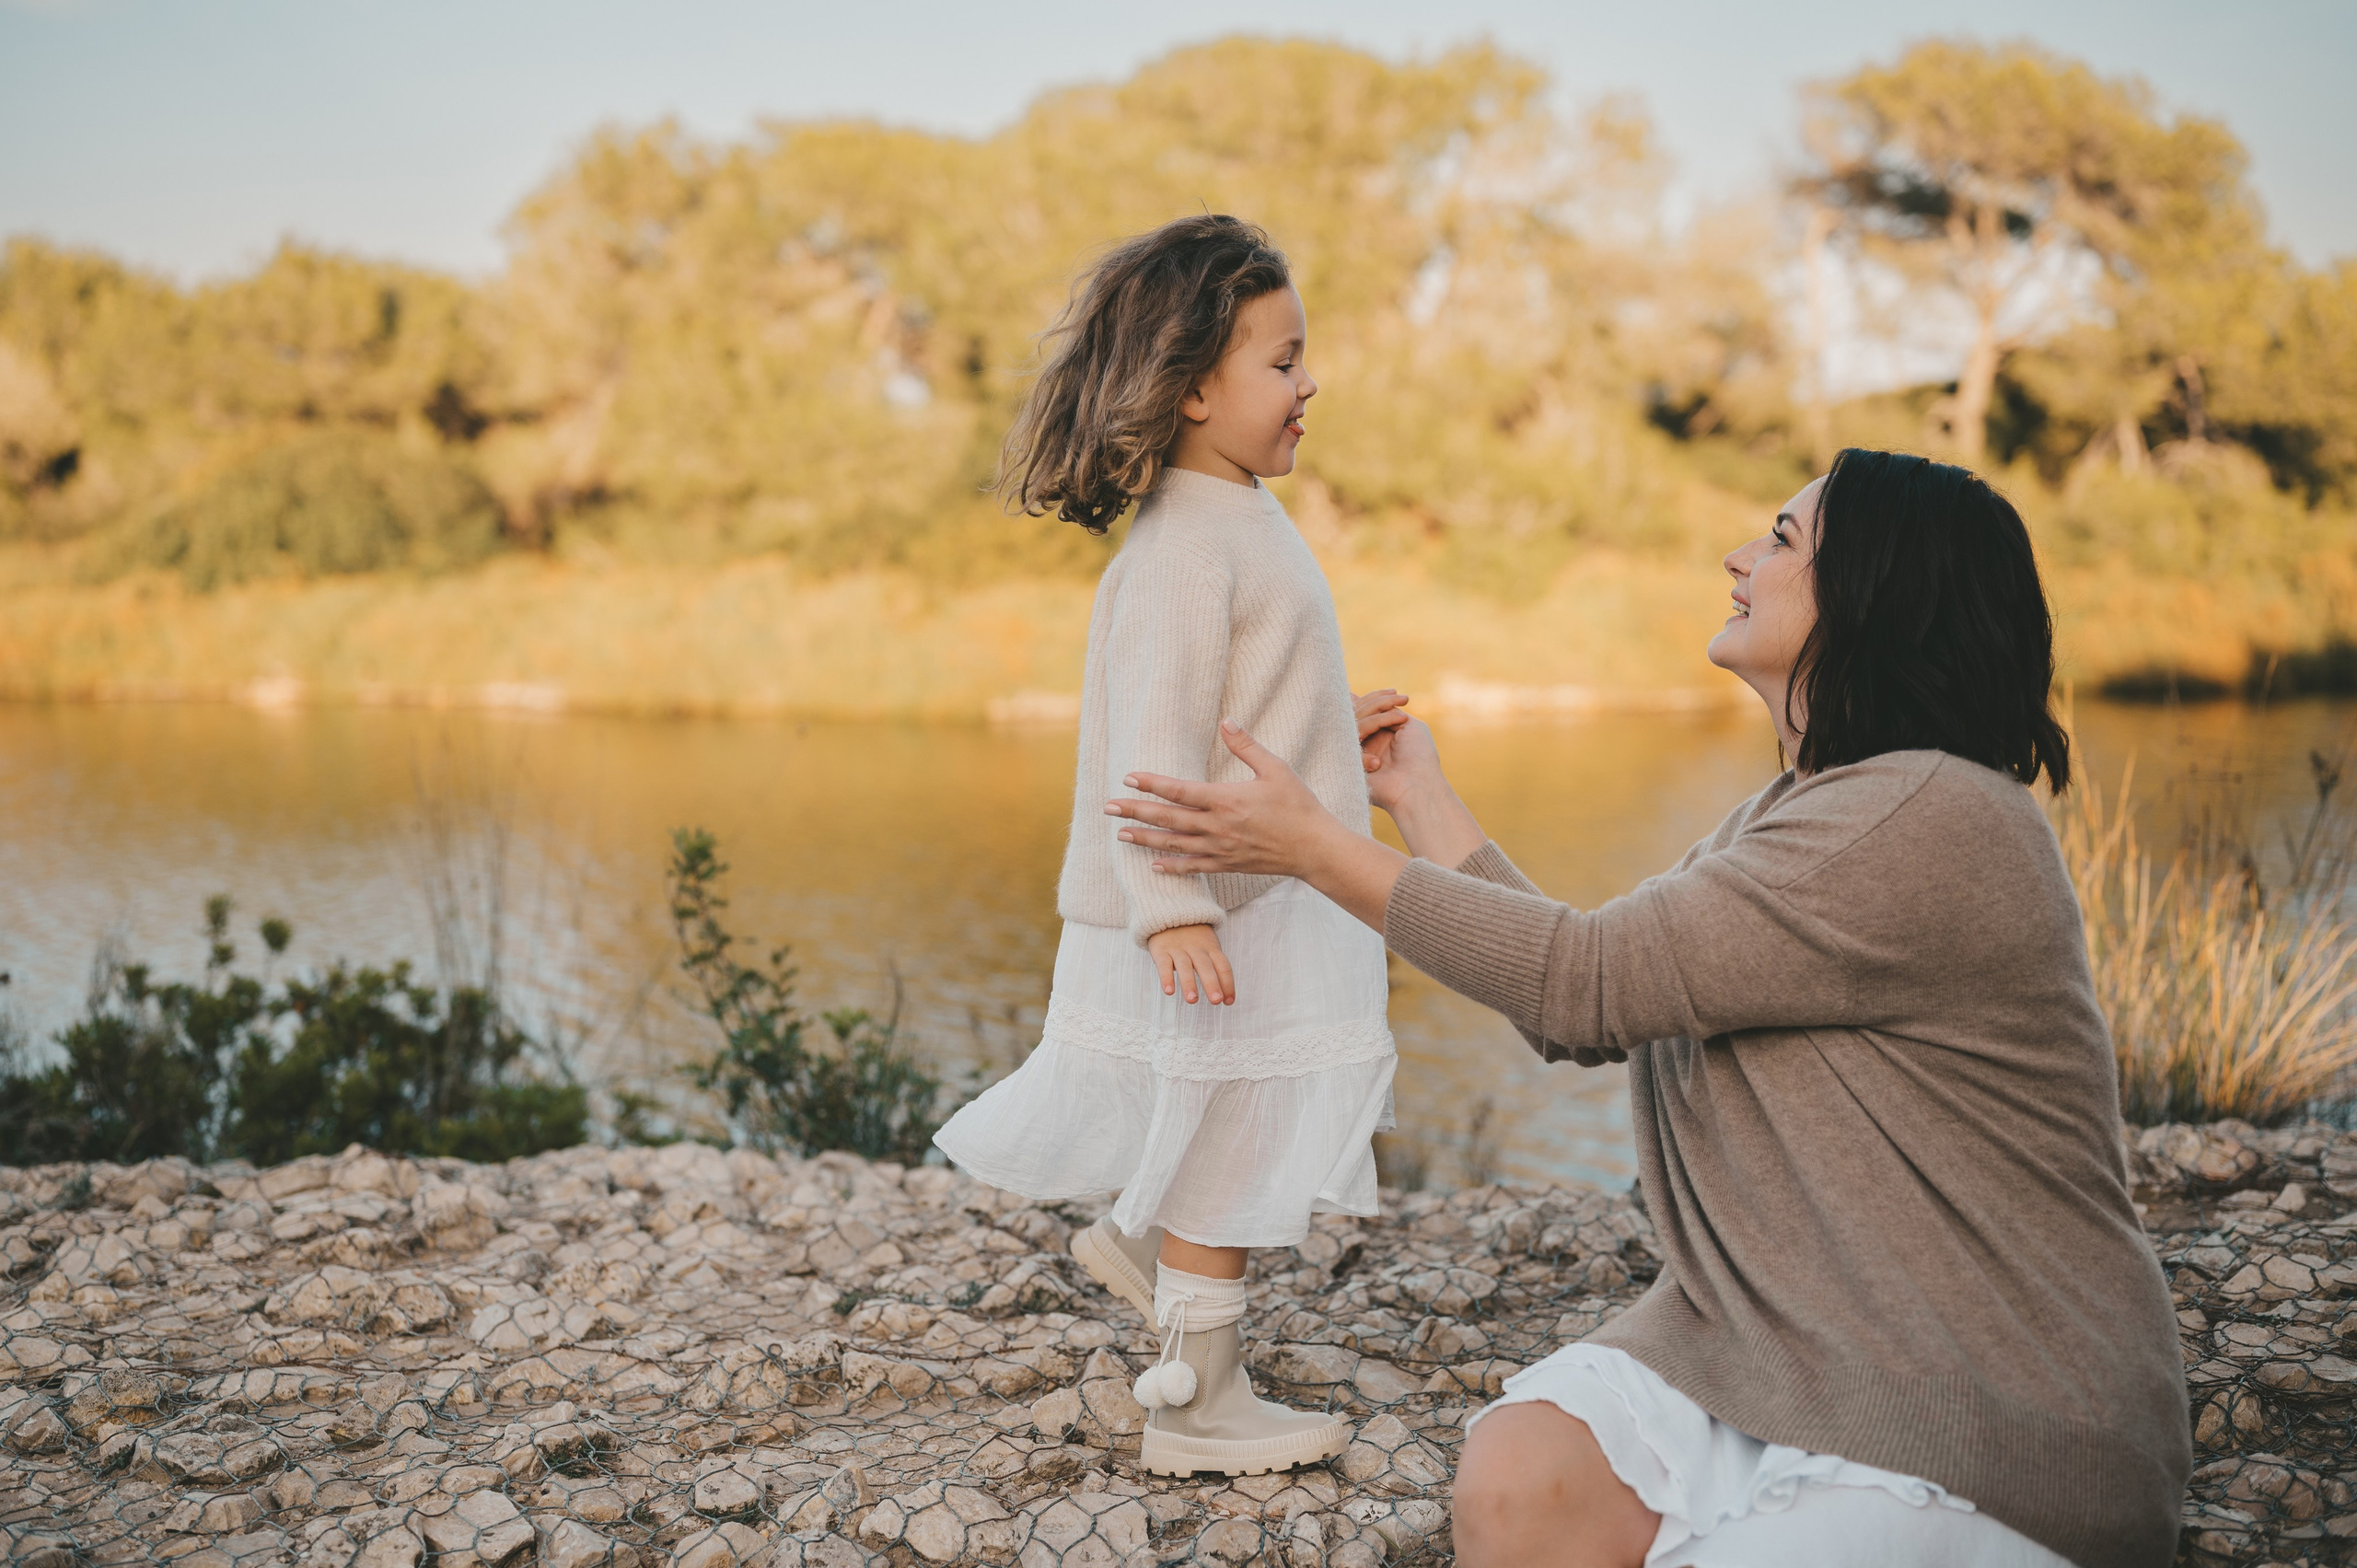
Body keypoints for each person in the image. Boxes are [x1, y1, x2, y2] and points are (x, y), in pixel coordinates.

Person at [1103, 449, 2191, 1567]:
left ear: (1876, 590)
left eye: (1782, 538)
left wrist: (1315, 849)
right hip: (1782, 1348)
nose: (1738, 555)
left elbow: (1587, 978)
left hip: (1982, 1405)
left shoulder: (1930, 816)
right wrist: (1415, 794)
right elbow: (1583, 998)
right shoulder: (1804, 811)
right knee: (1523, 1475)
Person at [931, 215, 1411, 1479]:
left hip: (1257, 883)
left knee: (1230, 1114)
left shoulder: (1235, 511)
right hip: (1218, 904)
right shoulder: (1185, 546)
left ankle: (1154, 1255)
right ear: (1194, 387)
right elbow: (1150, 747)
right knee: (1233, 1123)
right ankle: (1196, 1400)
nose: (1309, 384)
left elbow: (1228, 704)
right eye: (1283, 361)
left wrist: (1321, 729)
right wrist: (1169, 904)